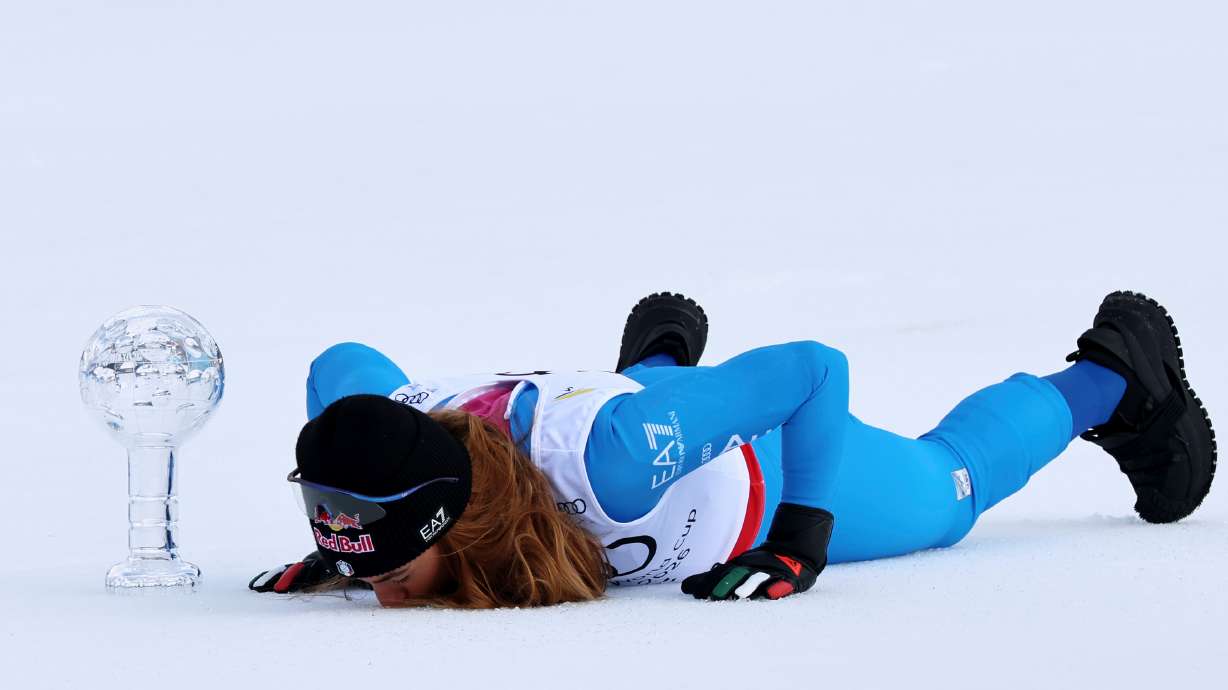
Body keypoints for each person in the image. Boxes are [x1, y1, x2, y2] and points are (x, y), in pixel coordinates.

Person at [251, 291, 1216, 608]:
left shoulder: (616, 465)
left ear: (460, 525)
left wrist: (799, 538)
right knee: (660, 412)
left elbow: (812, 368)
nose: (379, 596)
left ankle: (1116, 378)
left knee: (943, 488)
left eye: (397, 575)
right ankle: (663, 362)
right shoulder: (398, 424)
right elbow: (342, 366)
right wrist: (347, 540)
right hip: (652, 415)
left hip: (746, 467)